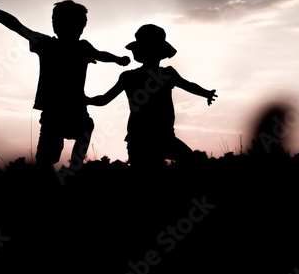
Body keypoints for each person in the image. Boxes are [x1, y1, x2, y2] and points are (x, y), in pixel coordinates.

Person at [0, 0, 130, 173]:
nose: (76, 28)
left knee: (74, 136)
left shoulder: (74, 47)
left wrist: (118, 59)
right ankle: (70, 169)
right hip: (59, 111)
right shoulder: (54, 45)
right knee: (52, 153)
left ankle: (72, 169)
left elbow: (101, 55)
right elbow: (14, 24)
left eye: (79, 24)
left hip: (68, 110)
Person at [87, 24, 217, 169]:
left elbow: (104, 99)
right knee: (186, 164)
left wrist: (84, 100)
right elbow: (189, 85)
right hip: (150, 138)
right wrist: (206, 93)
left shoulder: (133, 76)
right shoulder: (161, 74)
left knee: (152, 177)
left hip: (147, 138)